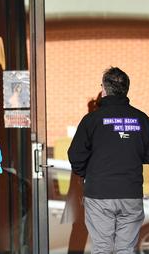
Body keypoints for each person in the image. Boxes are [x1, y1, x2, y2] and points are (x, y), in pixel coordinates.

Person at [68, 67, 149, 254]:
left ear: (104, 89)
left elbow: (75, 156)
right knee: (126, 249)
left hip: (99, 193)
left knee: (102, 248)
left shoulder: (92, 120)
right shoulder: (141, 119)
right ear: (126, 89)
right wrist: (131, 153)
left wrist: (88, 173)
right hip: (130, 192)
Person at [61, 92, 102, 254]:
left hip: (86, 184)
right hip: (89, 184)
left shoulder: (91, 123)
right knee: (84, 227)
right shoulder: (94, 124)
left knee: (81, 228)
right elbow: (76, 155)